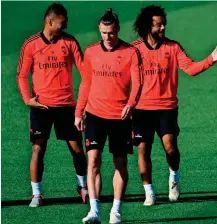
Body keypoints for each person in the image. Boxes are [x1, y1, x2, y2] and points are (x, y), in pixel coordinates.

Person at [131, 4, 217, 206]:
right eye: (158, 25)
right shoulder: (135, 49)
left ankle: (174, 177)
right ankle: (149, 192)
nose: (163, 28)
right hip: (141, 110)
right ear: (148, 26)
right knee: (142, 150)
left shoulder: (173, 47)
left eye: (164, 24)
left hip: (166, 108)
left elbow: (190, 68)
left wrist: (211, 59)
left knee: (170, 147)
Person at [16, 2, 88, 207]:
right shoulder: (31, 45)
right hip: (42, 108)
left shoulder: (69, 42)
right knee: (38, 149)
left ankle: (82, 187)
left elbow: (85, 72)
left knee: (77, 149)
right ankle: (36, 194)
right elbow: (21, 75)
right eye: (62, 22)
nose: (65, 26)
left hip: (67, 106)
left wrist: (84, 103)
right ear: (50, 21)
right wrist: (27, 99)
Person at [75, 9, 143, 224]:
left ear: (118, 30)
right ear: (99, 30)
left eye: (111, 33)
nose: (107, 37)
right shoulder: (91, 52)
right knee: (93, 160)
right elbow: (86, 83)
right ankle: (94, 211)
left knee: (119, 162)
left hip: (120, 117)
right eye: (104, 33)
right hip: (95, 114)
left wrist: (131, 104)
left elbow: (138, 83)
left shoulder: (131, 52)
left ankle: (116, 211)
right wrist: (79, 112)